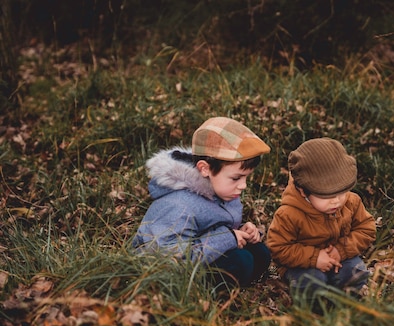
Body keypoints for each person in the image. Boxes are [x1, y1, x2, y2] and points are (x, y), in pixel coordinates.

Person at [132, 116, 271, 291]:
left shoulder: (222, 188)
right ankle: (204, 293)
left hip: (206, 250)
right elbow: (170, 259)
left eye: (246, 177)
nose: (243, 185)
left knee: (261, 254)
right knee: (240, 262)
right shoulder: (178, 206)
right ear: (205, 168)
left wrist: (242, 231)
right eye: (236, 178)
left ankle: (240, 285)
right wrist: (229, 237)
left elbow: (214, 224)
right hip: (169, 268)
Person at [266, 137, 376, 308]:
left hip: (339, 257)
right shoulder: (289, 213)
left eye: (342, 193)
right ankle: (313, 311)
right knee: (313, 281)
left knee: (356, 272)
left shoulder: (351, 202)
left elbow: (366, 228)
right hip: (301, 265)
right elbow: (278, 248)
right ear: (303, 192)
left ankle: (344, 306)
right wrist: (315, 258)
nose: (337, 201)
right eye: (328, 196)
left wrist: (341, 250)